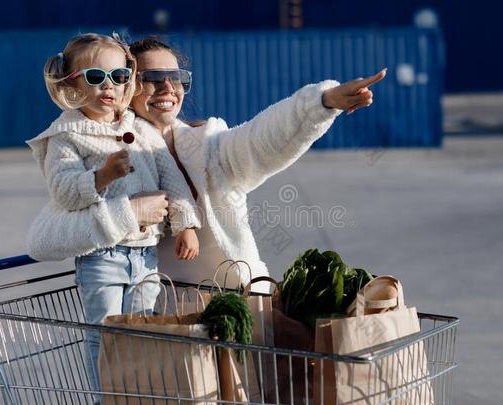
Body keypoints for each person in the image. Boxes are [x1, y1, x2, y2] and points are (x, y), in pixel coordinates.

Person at [27, 35, 386, 293]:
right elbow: (44, 239)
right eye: (150, 79)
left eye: (177, 78)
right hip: (169, 318)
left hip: (241, 303)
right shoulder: (101, 151)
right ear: (126, 87)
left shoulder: (210, 145)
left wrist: (321, 102)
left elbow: (263, 139)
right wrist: (129, 211)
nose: (168, 87)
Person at [25, 33, 201, 399]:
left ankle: (138, 395)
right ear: (71, 83)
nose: (109, 85)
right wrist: (102, 175)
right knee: (106, 336)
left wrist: (185, 224)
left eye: (120, 77)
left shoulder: (140, 129)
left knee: (145, 334)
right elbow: (63, 191)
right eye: (95, 77)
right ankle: (108, 397)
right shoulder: (66, 135)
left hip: (146, 255)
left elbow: (173, 181)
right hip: (103, 256)